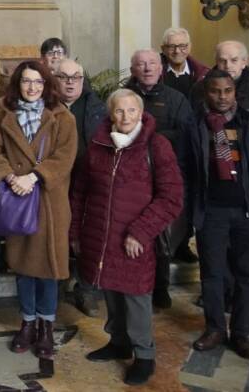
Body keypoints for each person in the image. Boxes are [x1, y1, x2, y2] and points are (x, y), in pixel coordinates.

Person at [70, 89, 183, 386]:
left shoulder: (156, 146)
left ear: (141, 113)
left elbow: (171, 197)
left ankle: (144, 356)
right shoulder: (98, 145)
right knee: (111, 290)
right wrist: (75, 233)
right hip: (100, 236)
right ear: (110, 114)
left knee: (136, 297)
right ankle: (118, 342)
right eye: (119, 111)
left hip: (134, 239)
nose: (126, 117)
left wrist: (141, 232)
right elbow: (80, 192)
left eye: (132, 111)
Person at [185, 69, 249, 360]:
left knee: (246, 276)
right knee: (213, 275)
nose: (222, 97)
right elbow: (184, 170)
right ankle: (215, 329)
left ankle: (241, 334)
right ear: (207, 93)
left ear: (234, 93)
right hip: (212, 211)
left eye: (227, 91)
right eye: (215, 91)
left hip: (248, 212)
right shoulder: (195, 124)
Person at [0, 60, 76, 360]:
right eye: (26, 81)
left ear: (46, 84)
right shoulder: (3, 113)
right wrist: (11, 177)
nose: (32, 87)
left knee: (48, 269)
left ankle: (47, 326)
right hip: (18, 201)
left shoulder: (62, 117)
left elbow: (65, 157)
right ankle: (27, 323)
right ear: (18, 84)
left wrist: (33, 176)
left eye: (38, 82)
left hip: (49, 202)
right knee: (23, 267)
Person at [124, 48, 193, 308]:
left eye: (152, 63)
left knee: (160, 236)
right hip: (130, 180)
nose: (147, 68)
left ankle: (160, 287)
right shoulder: (123, 97)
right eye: (141, 64)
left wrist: (152, 139)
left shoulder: (176, 100)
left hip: (162, 178)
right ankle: (132, 286)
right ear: (133, 70)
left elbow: (185, 136)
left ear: (160, 68)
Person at [55, 57, 106, 316]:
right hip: (55, 183)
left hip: (87, 182)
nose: (71, 82)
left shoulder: (96, 106)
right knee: (58, 236)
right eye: (64, 77)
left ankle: (86, 290)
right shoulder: (46, 106)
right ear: (55, 80)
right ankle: (56, 284)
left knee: (87, 238)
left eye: (76, 77)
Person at [189, 41, 249, 152]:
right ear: (216, 62)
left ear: (244, 62)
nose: (227, 66)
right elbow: (191, 129)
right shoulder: (200, 89)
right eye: (222, 61)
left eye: (234, 60)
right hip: (210, 157)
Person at [159, 27, 209, 98]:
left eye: (182, 46)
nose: (177, 51)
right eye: (171, 46)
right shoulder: (154, 72)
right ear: (163, 49)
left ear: (189, 47)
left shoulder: (203, 73)